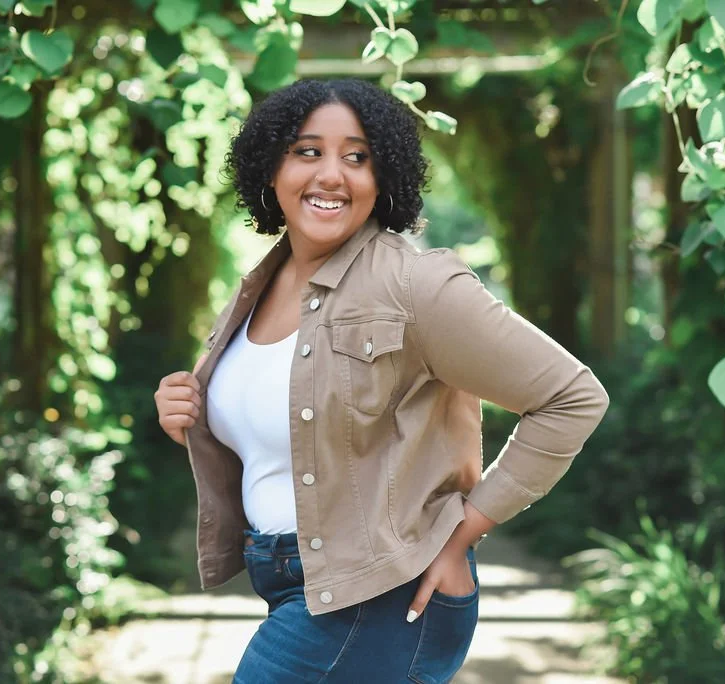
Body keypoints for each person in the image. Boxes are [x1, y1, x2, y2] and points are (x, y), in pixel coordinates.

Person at [153, 78, 609, 683]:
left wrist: (463, 534)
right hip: (291, 577)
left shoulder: (417, 286)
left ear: (384, 175)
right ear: (270, 168)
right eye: (307, 151)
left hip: (383, 590)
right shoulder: (259, 288)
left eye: (358, 157)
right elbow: (294, 439)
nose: (332, 175)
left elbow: (571, 397)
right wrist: (188, 416)